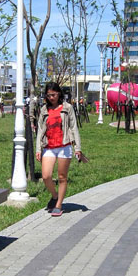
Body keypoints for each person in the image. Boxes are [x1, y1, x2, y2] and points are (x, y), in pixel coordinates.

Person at [36, 82, 82, 217]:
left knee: (62, 177)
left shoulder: (67, 108)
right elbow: (40, 129)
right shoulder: (44, 109)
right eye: (49, 95)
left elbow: (74, 127)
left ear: (59, 94)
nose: (51, 98)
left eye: (54, 95)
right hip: (49, 146)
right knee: (46, 176)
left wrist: (77, 148)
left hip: (64, 146)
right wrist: (38, 148)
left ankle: (58, 205)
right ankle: (55, 196)